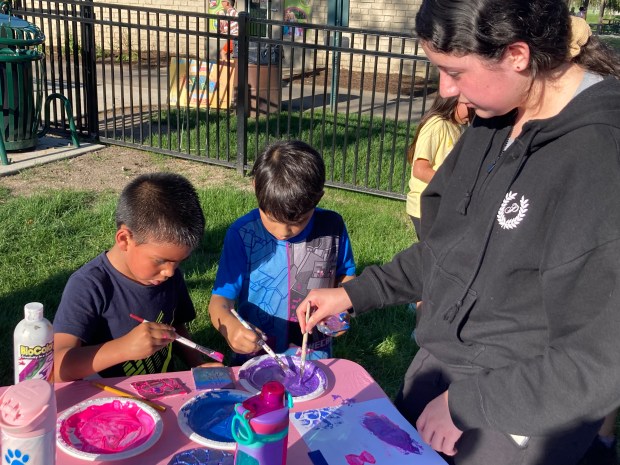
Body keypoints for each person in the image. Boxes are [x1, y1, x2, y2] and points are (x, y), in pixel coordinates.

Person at [297, 2, 620, 464]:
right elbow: (447, 249)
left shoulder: (600, 156)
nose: (447, 90)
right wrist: (356, 293)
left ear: (517, 55)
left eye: (455, 72)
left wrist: (468, 405)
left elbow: (599, 360)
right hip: (442, 375)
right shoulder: (496, 116)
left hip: (516, 418)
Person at [53, 172, 214, 382]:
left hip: (164, 390)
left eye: (179, 262)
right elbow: (56, 368)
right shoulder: (89, 285)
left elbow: (176, 329)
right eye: (160, 261)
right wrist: (123, 348)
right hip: (109, 401)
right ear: (124, 239)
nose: (170, 272)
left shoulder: (169, 276)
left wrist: (198, 365)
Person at [209, 140, 356, 364]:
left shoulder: (332, 227)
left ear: (318, 197)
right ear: (255, 185)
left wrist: (342, 310)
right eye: (272, 219)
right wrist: (230, 326)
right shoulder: (242, 234)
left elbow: (346, 275)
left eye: (298, 222)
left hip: (313, 353)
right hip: (256, 356)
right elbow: (220, 300)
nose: (283, 232)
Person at [407, 95, 471, 238]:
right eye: (468, 105)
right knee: (431, 254)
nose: (473, 110)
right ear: (453, 101)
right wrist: (452, 184)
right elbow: (420, 169)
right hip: (424, 206)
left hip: (440, 205)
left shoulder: (454, 127)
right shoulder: (436, 125)